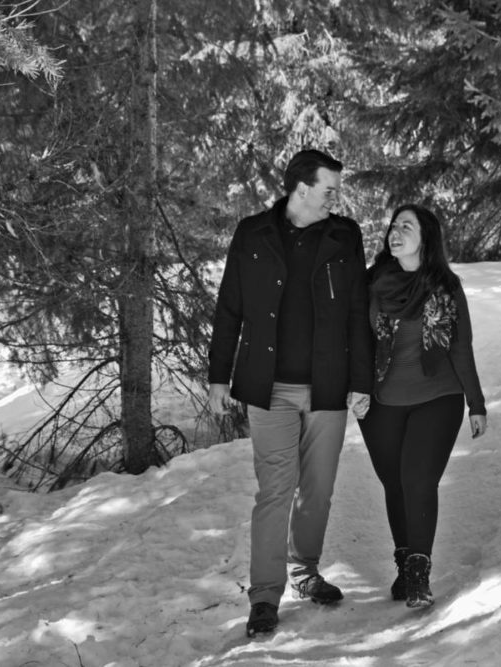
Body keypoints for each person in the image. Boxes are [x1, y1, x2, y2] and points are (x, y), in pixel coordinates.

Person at [206, 149, 373, 637]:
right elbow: (228, 309)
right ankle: (264, 596)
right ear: (302, 189)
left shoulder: (345, 236)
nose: (335, 198)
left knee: (317, 491)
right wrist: (219, 375)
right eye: (329, 189)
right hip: (269, 388)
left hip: (328, 388)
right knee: (274, 491)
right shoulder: (252, 233)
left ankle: (305, 571)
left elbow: (358, 311)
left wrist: (360, 382)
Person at [356, 204, 487, 609]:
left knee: (417, 479)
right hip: (382, 402)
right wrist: (355, 388)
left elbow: (461, 347)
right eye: (393, 226)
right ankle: (403, 561)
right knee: (393, 482)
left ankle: (418, 572)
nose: (395, 232)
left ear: (425, 239)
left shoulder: (446, 286)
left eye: (406, 227)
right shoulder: (373, 282)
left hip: (438, 397)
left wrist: (476, 403)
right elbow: (358, 342)